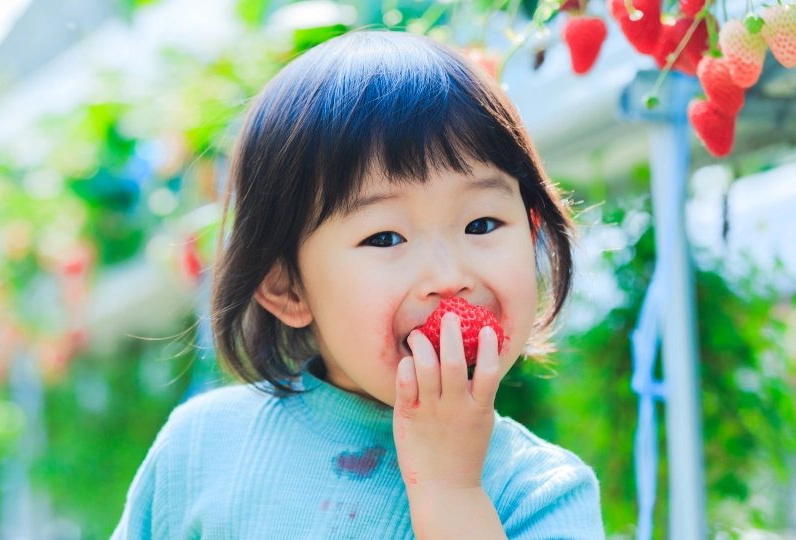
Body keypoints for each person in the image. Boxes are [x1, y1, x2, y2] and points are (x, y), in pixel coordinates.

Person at [112, 30, 604, 539]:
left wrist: (450, 488)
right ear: (287, 287)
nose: (448, 277)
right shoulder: (203, 448)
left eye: (481, 224)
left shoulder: (541, 492)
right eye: (386, 236)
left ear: (533, 230)